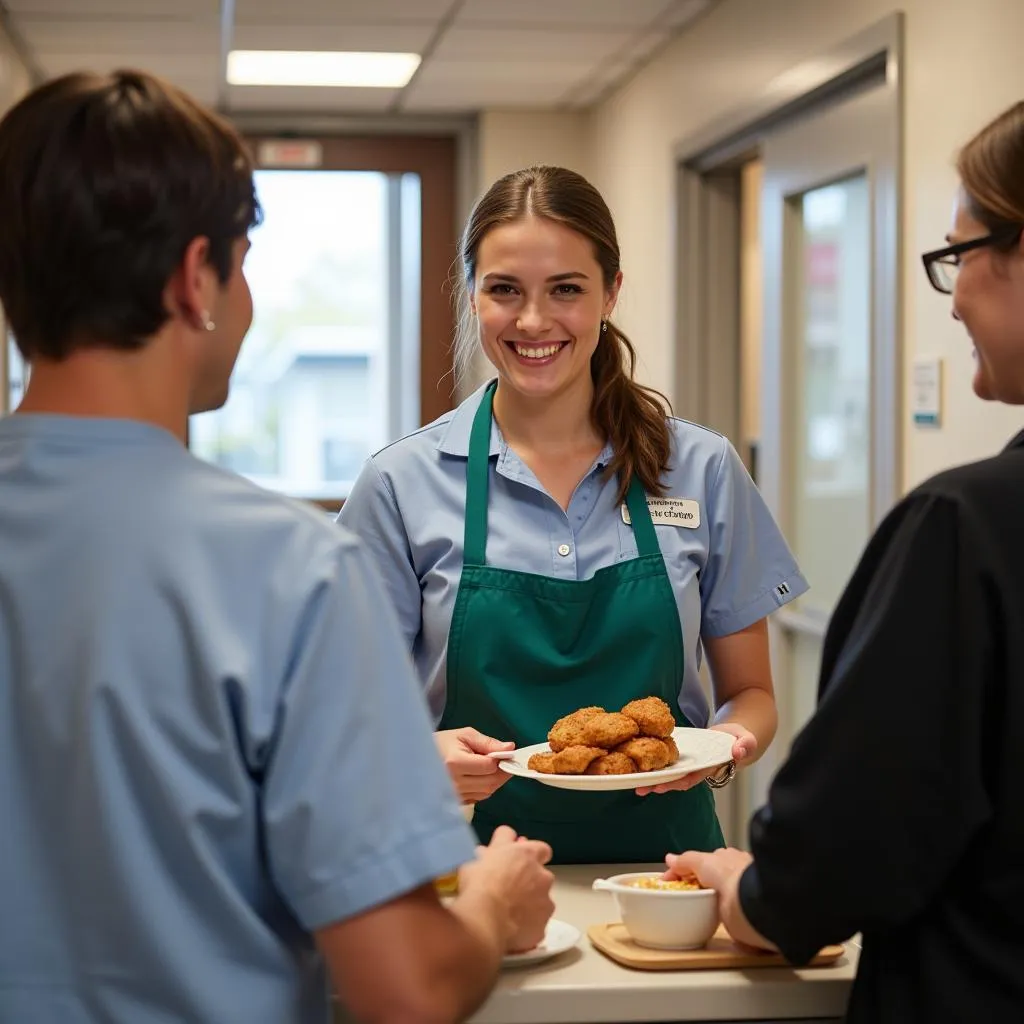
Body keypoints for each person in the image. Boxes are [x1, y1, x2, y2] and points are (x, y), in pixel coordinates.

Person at [0, 70, 555, 1024]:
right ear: (194, 277)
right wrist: (494, 907)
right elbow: (407, 987)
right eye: (244, 260)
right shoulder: (284, 572)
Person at [666, 100, 1024, 1022]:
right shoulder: (404, 477)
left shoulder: (966, 529)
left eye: (959, 257)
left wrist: (756, 888)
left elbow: (847, 845)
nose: (954, 298)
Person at [338, 165, 807, 863]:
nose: (533, 321)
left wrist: (724, 749)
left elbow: (751, 694)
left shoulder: (701, 470)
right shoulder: (400, 484)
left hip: (666, 874)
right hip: (463, 878)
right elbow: (344, 712)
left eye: (566, 289)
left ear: (611, 293)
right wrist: (414, 751)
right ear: (473, 296)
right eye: (504, 290)